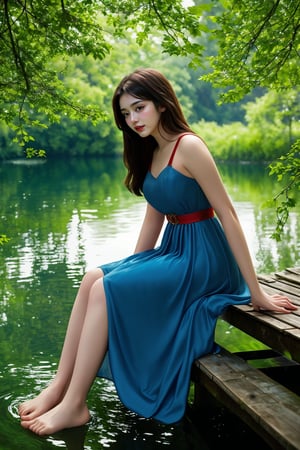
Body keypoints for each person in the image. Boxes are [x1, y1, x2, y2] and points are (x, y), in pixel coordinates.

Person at [19, 68, 297, 436]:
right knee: (95, 278)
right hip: (175, 250)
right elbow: (153, 222)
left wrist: (256, 292)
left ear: (162, 104)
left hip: (205, 258)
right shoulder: (151, 152)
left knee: (107, 290)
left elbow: (228, 214)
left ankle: (75, 404)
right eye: (126, 114)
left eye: (139, 108)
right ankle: (59, 385)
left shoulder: (189, 146)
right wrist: (130, 274)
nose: (133, 119)